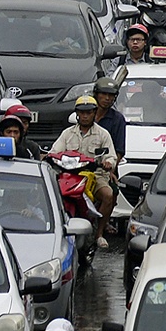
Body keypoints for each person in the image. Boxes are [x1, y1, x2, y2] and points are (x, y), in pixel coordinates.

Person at [50, 95, 118, 244]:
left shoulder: (103, 134)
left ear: (94, 113)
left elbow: (111, 157)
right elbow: (55, 151)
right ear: (77, 114)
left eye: (89, 112)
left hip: (95, 176)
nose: (85, 116)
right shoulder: (67, 134)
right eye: (82, 112)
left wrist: (108, 163)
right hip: (70, 176)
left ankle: (99, 234)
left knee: (108, 195)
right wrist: (50, 157)